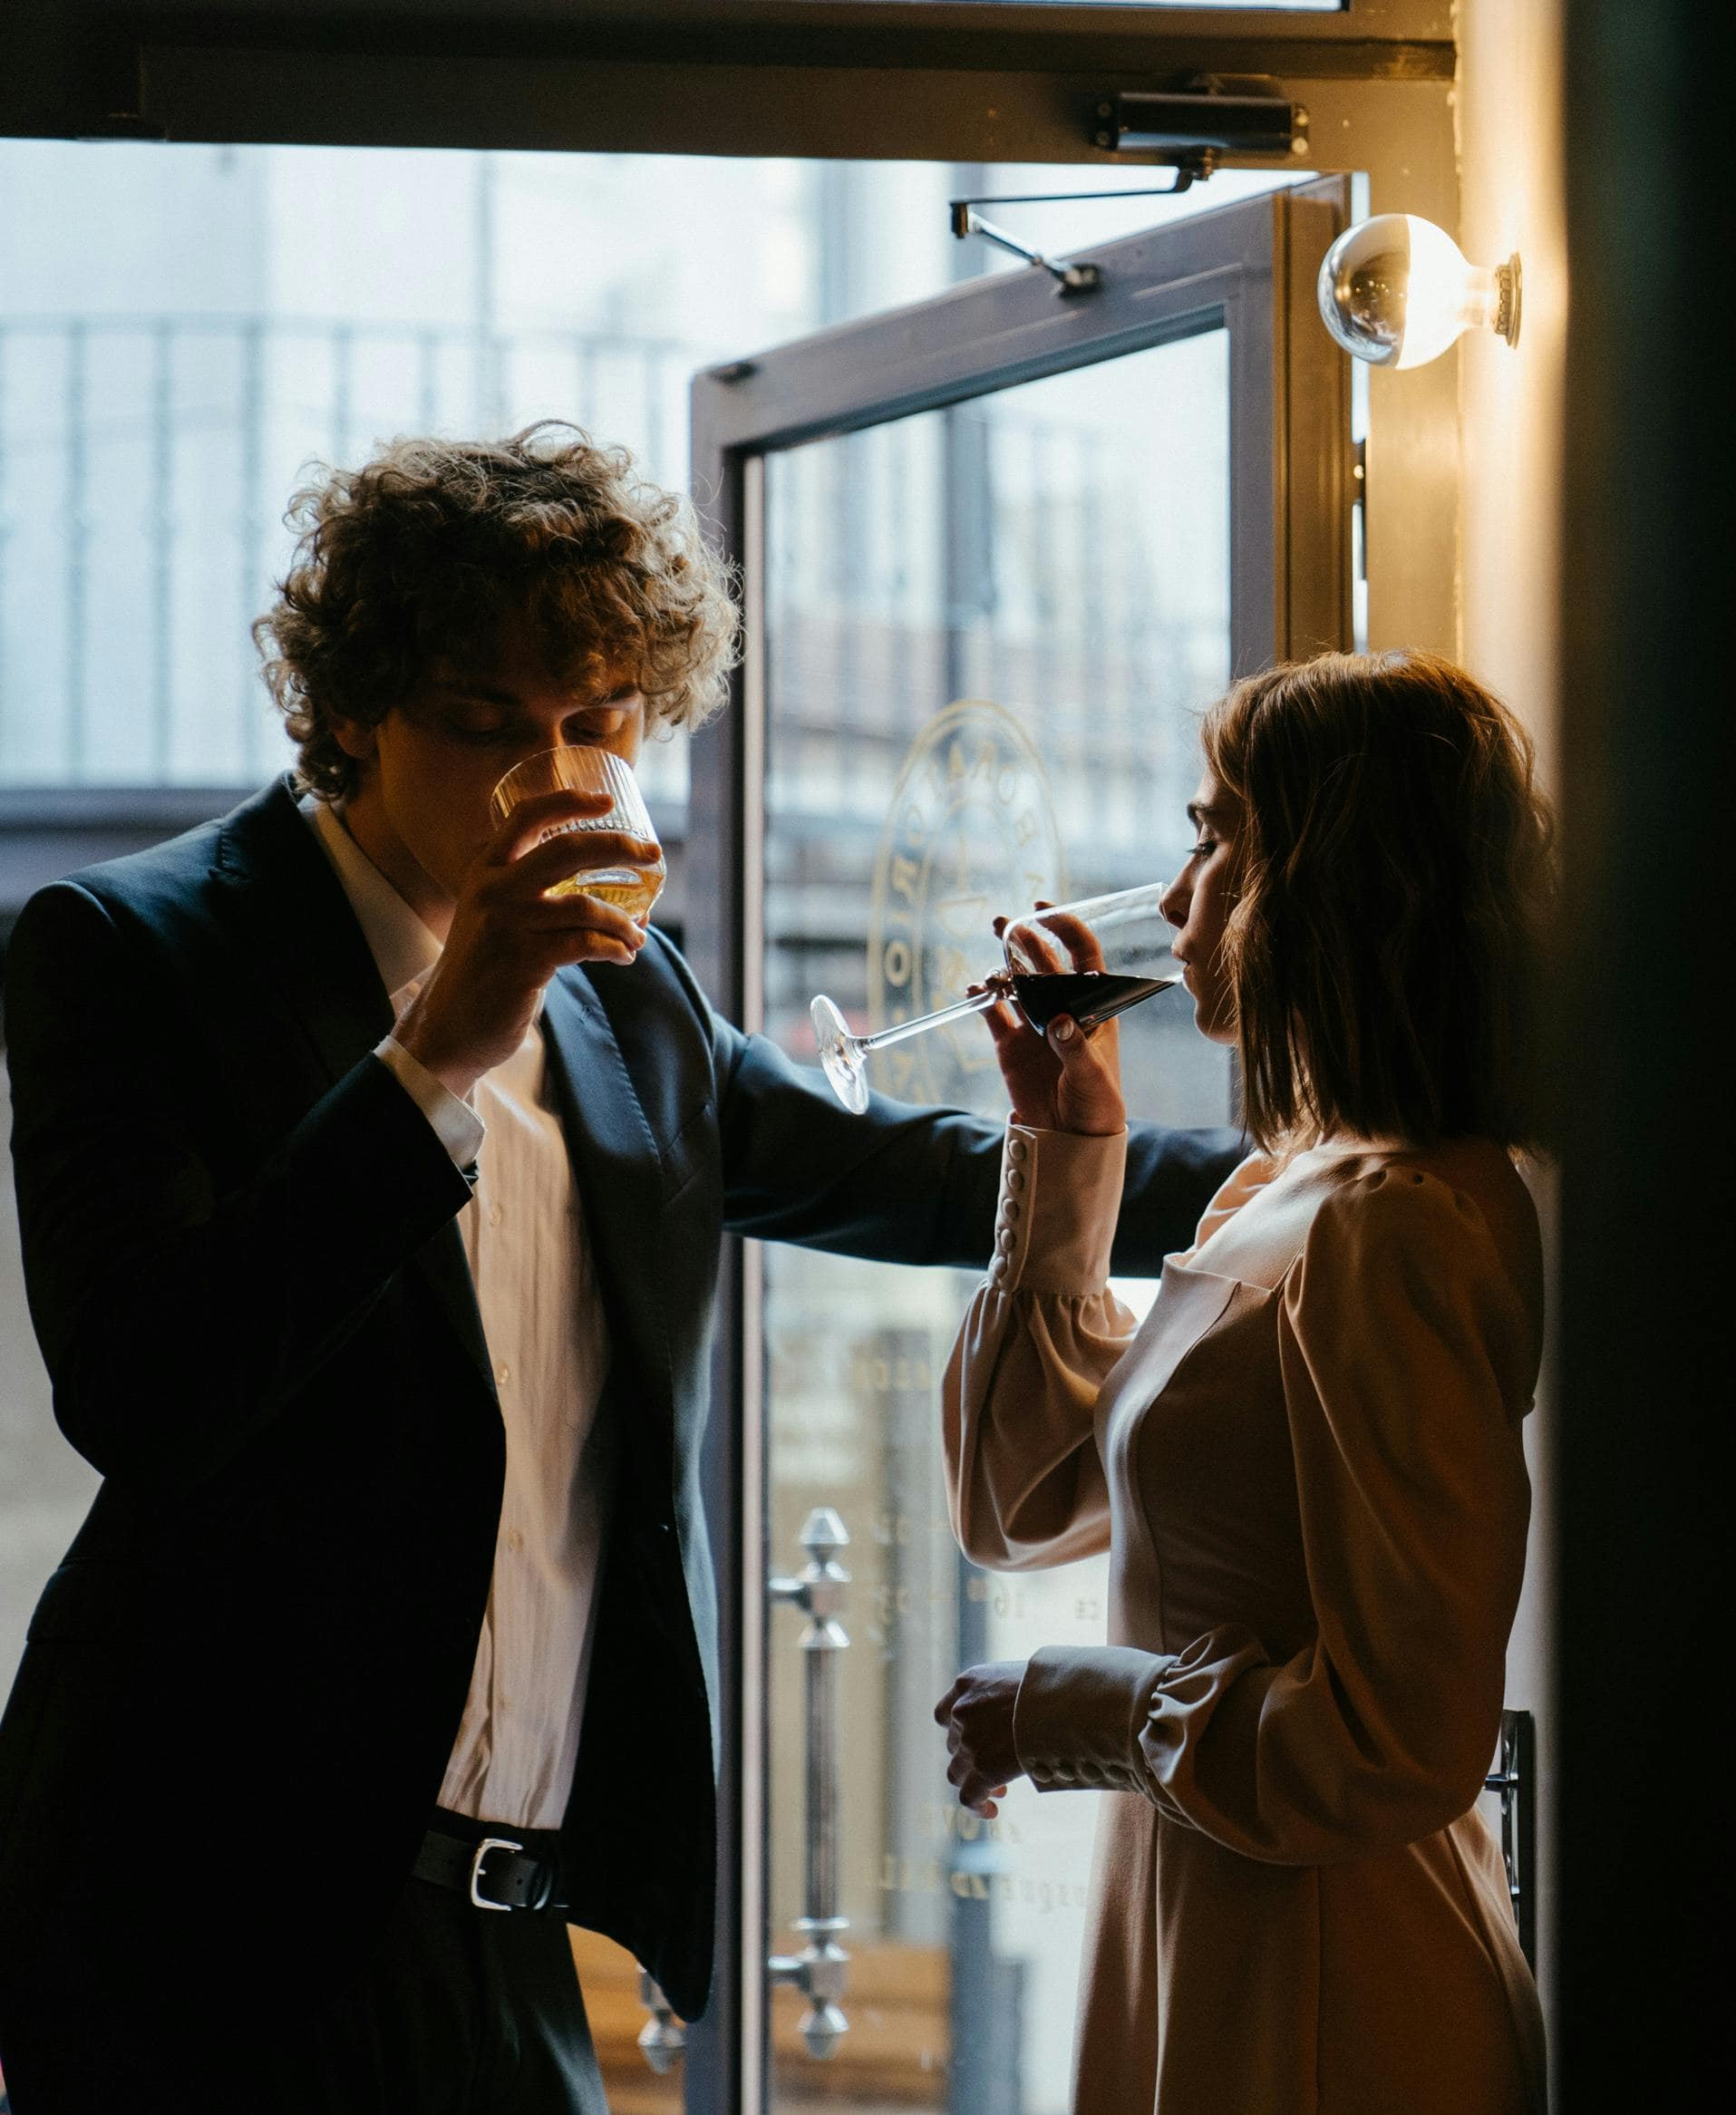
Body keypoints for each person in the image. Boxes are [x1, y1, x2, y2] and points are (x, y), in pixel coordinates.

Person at [0, 423, 1247, 2114]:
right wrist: (431, 1056)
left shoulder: (630, 990)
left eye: (599, 724)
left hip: (518, 1930)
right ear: (354, 712)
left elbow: (904, 1170)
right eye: (490, 726)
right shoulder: (129, 951)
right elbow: (145, 1390)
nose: (561, 779)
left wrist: (1307, 1173)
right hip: (200, 1924)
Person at [933, 648, 1553, 2114]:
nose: (1172, 896)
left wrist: (1069, 1708)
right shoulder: (1283, 1189)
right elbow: (1021, 1503)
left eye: (1217, 836)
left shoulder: (1401, 1221)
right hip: (1209, 1912)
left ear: (1326, 879)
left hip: (1331, 1976)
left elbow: (1401, 1742)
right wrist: (1068, 1148)